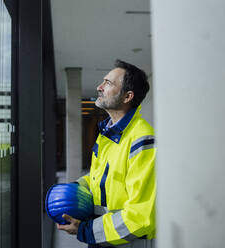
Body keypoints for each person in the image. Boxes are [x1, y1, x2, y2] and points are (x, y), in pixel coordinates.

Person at [57, 60, 156, 248]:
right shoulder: (108, 134)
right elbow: (98, 176)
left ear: (127, 97)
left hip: (126, 242)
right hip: (101, 236)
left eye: (108, 83)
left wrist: (85, 230)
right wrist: (74, 187)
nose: (99, 87)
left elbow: (140, 216)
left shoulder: (142, 139)